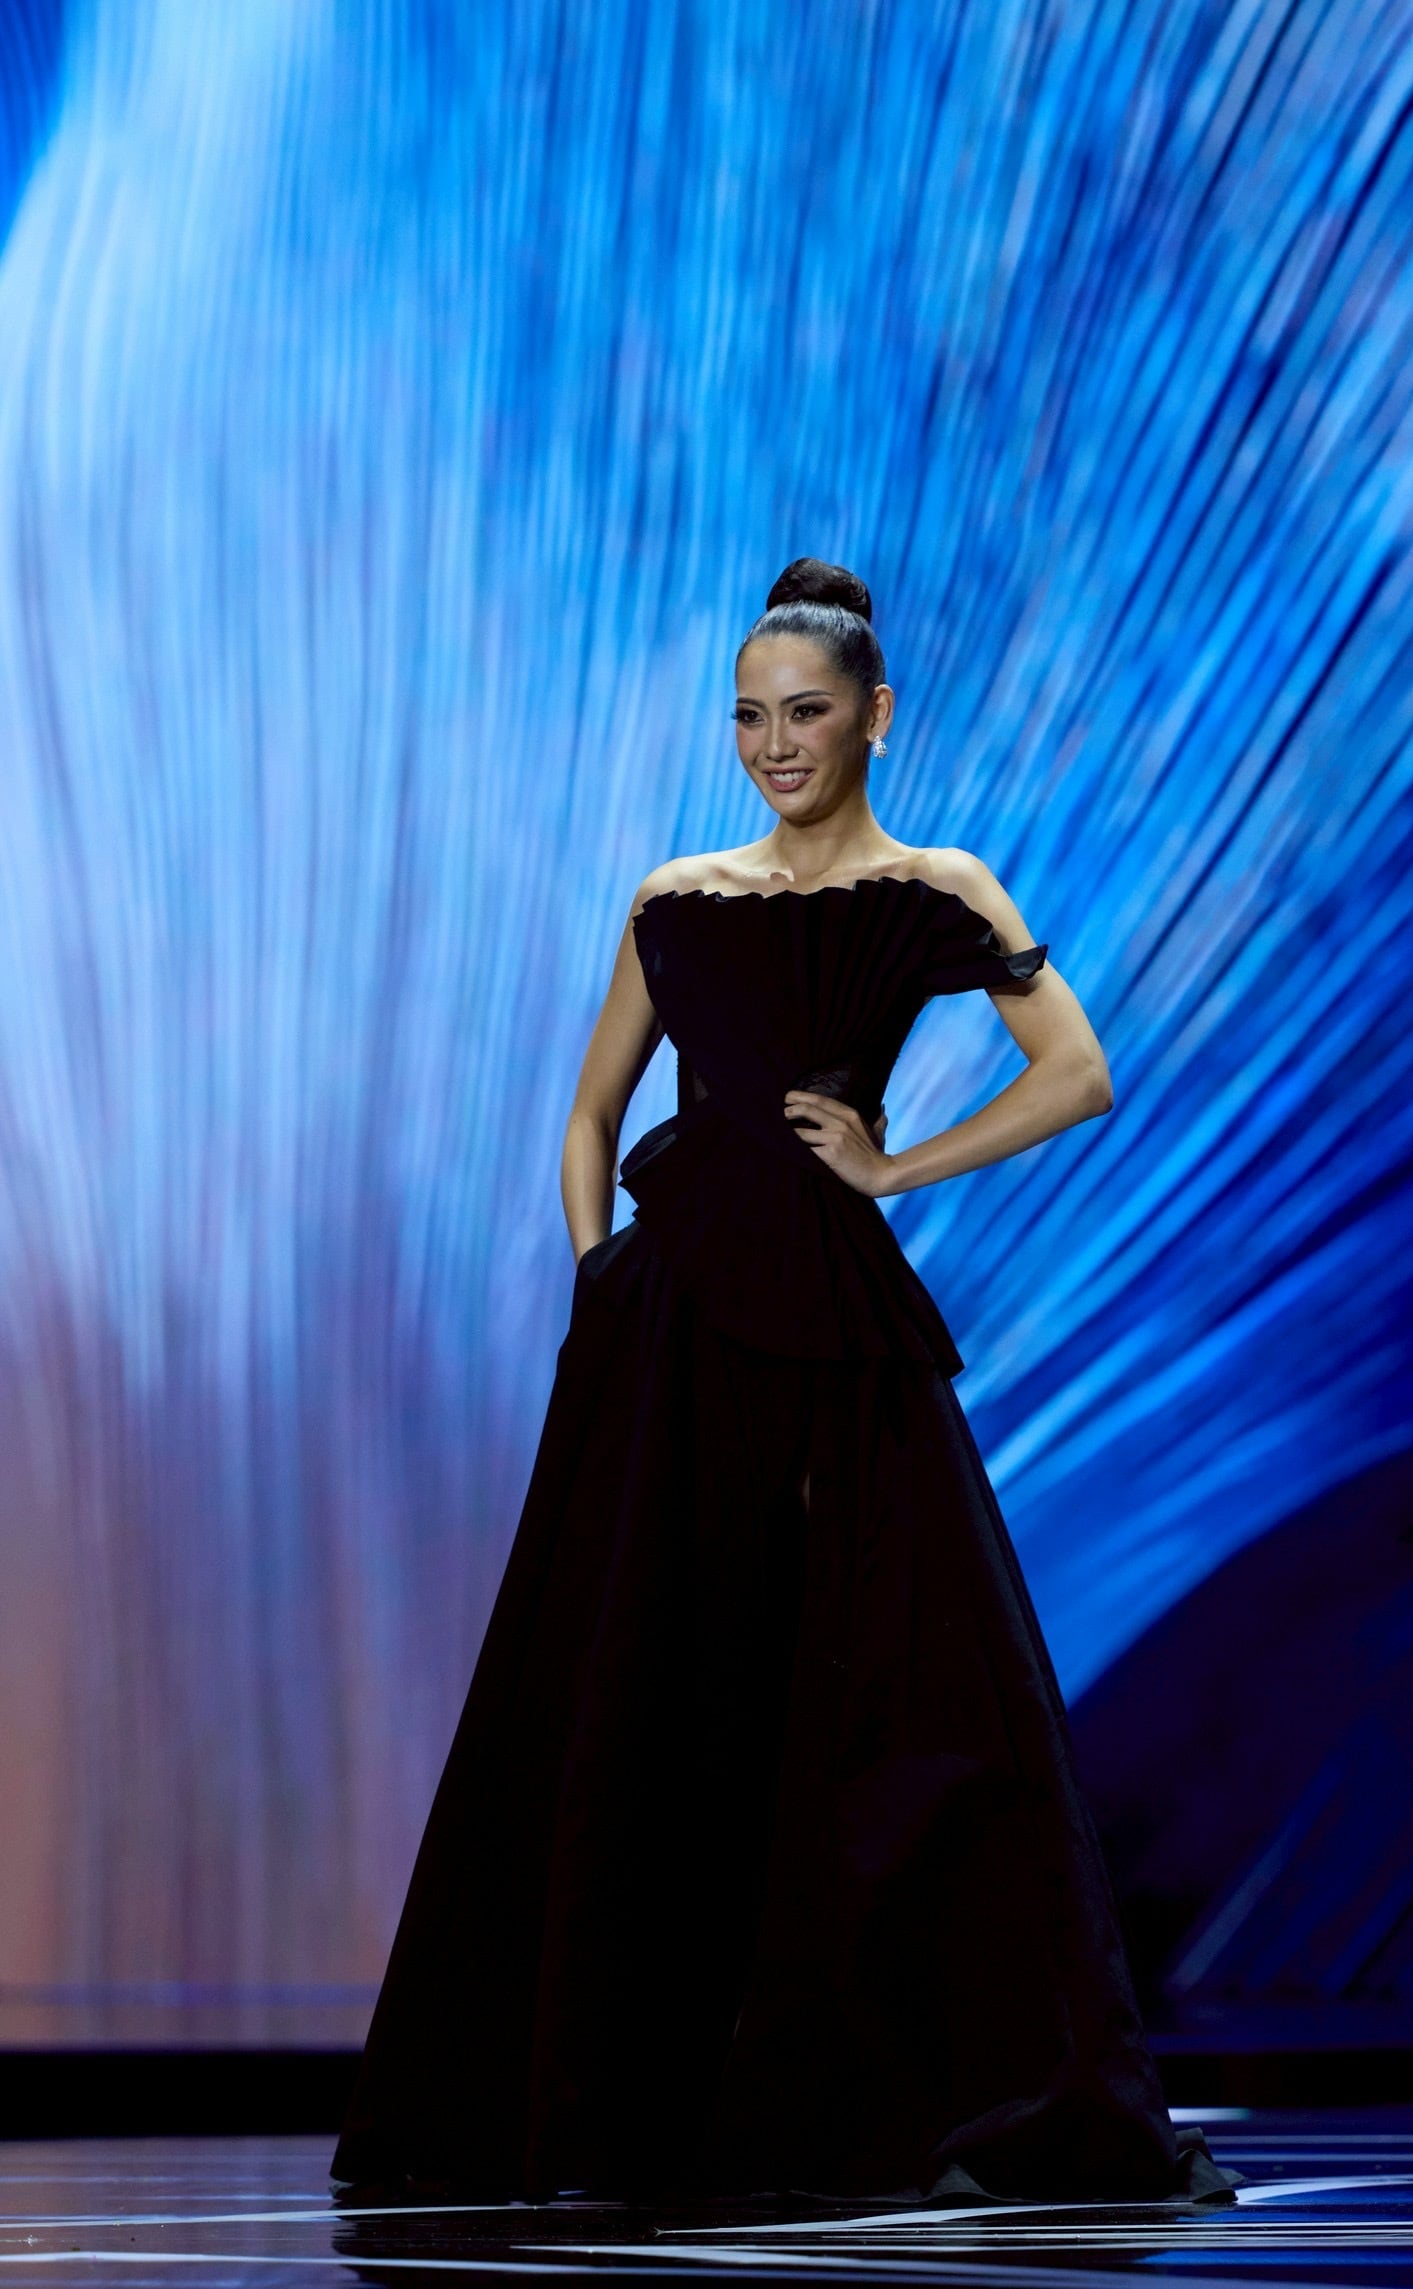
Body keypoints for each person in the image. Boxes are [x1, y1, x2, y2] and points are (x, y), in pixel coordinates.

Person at [330, 559, 1231, 2208]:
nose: (774, 745)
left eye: (805, 713)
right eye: (749, 717)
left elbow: (1080, 1070)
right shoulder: (677, 898)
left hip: (834, 1310)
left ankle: (888, 2082)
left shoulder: (933, 885)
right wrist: (599, 1271)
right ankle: (614, 2105)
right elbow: (591, 1111)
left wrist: (899, 1169)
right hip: (667, 1333)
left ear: (878, 716)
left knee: (908, 1688)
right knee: (643, 1686)